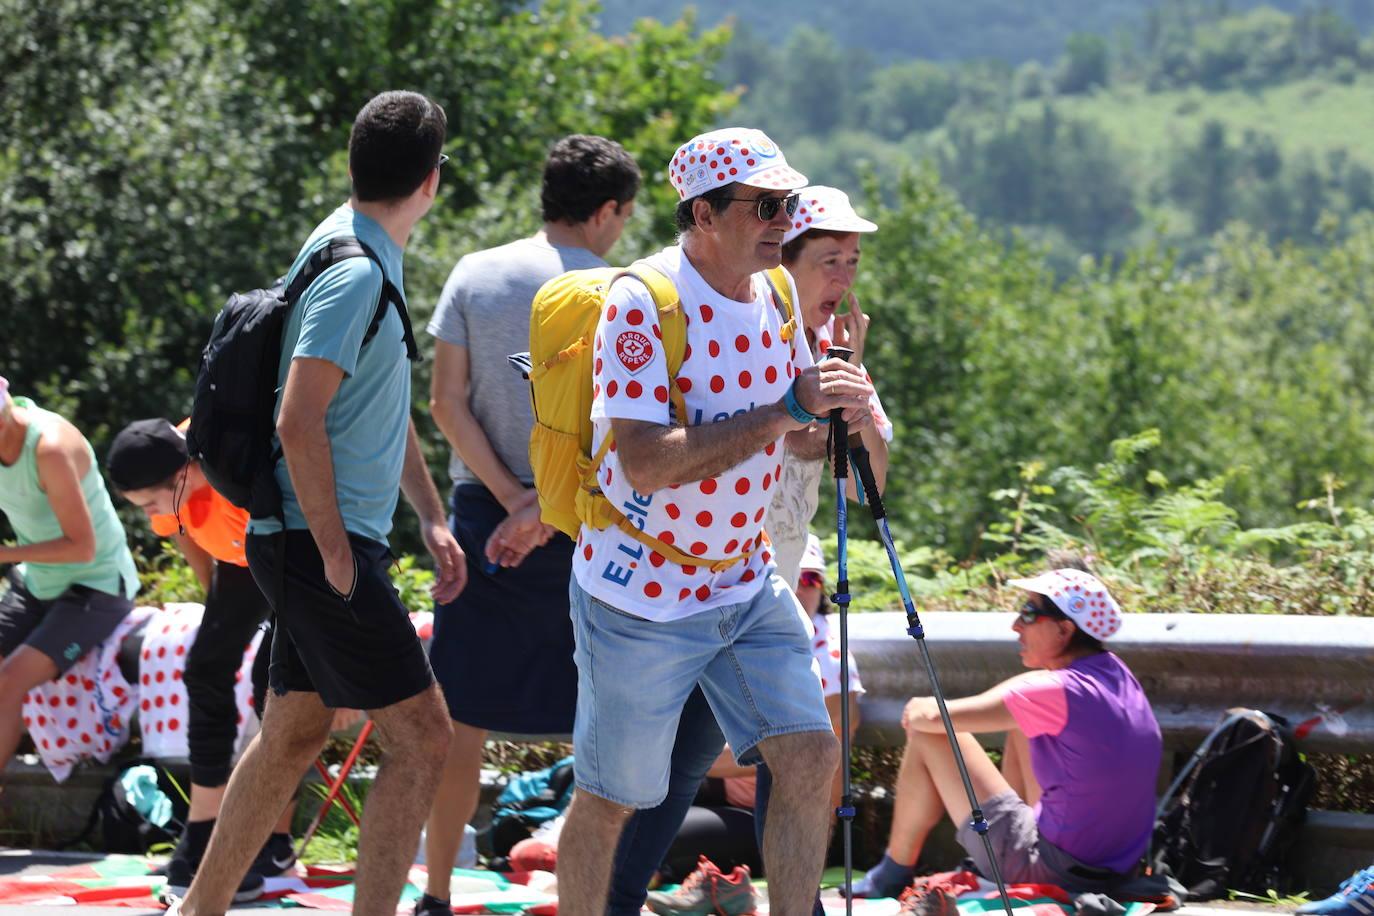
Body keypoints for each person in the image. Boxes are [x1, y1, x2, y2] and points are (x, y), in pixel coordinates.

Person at [554, 126, 876, 916]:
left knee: (808, 758)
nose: (782, 220)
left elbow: (787, 435)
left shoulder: (773, 293)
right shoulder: (643, 304)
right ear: (702, 213)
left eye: (788, 204)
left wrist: (837, 408)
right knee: (610, 799)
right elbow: (646, 460)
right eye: (765, 205)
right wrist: (783, 411)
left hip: (742, 577)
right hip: (640, 595)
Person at [172, 91, 466, 916]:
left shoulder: (348, 244)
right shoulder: (358, 273)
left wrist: (430, 511)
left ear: (353, 165)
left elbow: (373, 399)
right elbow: (297, 420)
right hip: (314, 542)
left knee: (296, 730)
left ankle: (198, 909)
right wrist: (337, 551)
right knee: (425, 737)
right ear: (432, 182)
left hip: (303, 539)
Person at [415, 134, 641, 916]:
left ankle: (435, 893)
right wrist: (543, 506)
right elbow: (617, 428)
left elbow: (446, 402)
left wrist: (513, 498)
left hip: (486, 520)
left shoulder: (476, 274)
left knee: (462, 719)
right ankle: (594, 897)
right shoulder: (625, 289)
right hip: (591, 526)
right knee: (605, 727)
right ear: (608, 210)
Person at [850, 566, 1161, 898]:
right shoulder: (1117, 673)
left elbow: (932, 718)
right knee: (1025, 726)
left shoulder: (1054, 690)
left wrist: (917, 710)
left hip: (1053, 870)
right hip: (1114, 869)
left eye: (1028, 613)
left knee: (932, 734)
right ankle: (994, 848)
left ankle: (892, 873)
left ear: (1064, 629)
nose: (1016, 625)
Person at [106, 418, 293, 900]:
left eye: (149, 502)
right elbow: (183, 529)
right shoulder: (172, 475)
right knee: (206, 668)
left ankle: (275, 838)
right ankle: (204, 830)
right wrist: (215, 604)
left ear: (184, 475)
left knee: (271, 684)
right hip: (239, 560)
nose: (148, 514)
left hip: (295, 555)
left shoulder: (239, 474)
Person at [644, 535, 863, 896]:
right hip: (709, 784)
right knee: (603, 779)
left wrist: (683, 758)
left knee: (650, 829)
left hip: (761, 813)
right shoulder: (748, 627)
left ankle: (715, 887)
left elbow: (805, 753)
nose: (800, 587)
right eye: (794, 575)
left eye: (811, 579)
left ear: (823, 588)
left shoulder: (832, 653)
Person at [0, 376, 139, 776]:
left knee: (9, 684)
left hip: (96, 584)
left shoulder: (51, 449)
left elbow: (82, 548)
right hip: (37, 580)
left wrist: (5, 553)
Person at [769, 186, 892, 588]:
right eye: (830, 261)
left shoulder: (832, 346)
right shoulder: (750, 335)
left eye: (853, 261)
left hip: (779, 570)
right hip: (717, 566)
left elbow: (865, 486)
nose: (845, 278)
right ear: (783, 262)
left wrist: (851, 385)